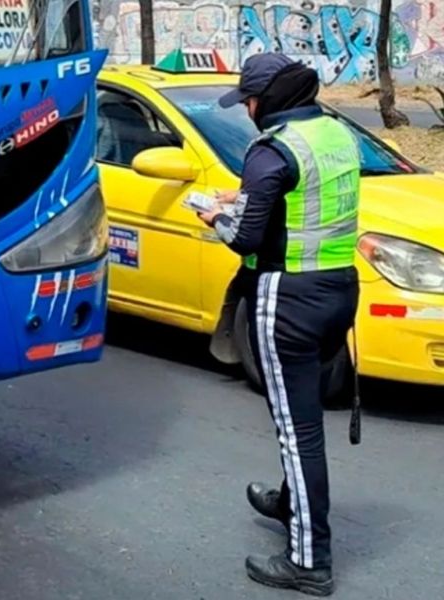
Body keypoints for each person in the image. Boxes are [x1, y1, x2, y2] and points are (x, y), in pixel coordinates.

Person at [196, 53, 360, 596]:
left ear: (267, 100)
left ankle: (309, 561)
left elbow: (244, 237)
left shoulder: (272, 149)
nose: (245, 109)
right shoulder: (335, 133)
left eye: (247, 100)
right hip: (338, 289)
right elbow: (301, 201)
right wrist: (244, 199)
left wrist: (216, 214)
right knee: (303, 419)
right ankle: (292, 503)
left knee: (297, 431)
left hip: (286, 297)